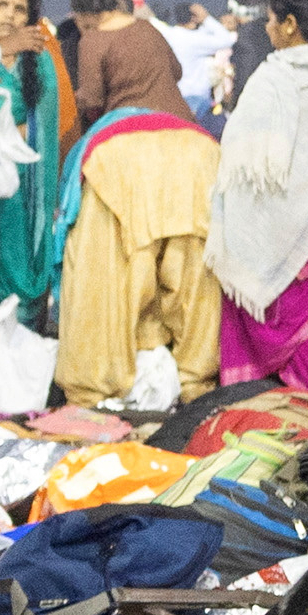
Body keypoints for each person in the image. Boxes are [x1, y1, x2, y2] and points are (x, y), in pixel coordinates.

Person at [211, 0, 308, 390]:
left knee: (245, 259)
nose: (268, 30)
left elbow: (243, 164)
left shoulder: (274, 78)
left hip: (281, 221)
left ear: (289, 24)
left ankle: (261, 386)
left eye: (272, 21)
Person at [51, 86, 223, 404]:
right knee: (196, 287)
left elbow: (73, 267)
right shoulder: (182, 127)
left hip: (116, 165)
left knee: (108, 289)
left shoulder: (87, 146)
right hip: (198, 158)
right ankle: (194, 383)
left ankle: (94, 391)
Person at [0, 0, 74, 372]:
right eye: (2, 6)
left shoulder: (39, 62)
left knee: (28, 276)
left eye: (20, 9)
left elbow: (45, 130)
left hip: (27, 191)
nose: (10, 15)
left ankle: (22, 378)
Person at [68, 0, 185, 125]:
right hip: (178, 121)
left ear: (84, 15)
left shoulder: (93, 40)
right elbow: (177, 71)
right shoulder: (147, 28)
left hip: (129, 128)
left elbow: (92, 98)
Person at [162, 0, 237, 125]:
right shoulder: (195, 39)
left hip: (173, 96)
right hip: (197, 99)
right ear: (193, 18)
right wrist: (206, 19)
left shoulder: (168, 35)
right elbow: (226, 39)